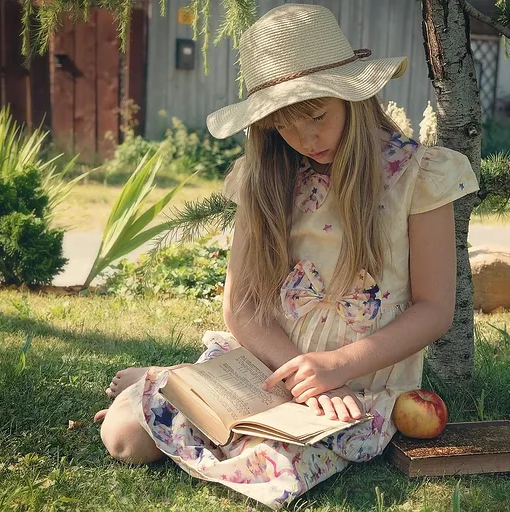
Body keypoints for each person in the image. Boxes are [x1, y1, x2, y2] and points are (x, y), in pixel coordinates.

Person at [93, 3, 479, 509]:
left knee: (276, 470)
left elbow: (434, 307)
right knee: (127, 440)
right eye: (283, 126)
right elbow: (243, 307)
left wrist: (335, 367)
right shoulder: (266, 179)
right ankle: (162, 385)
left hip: (356, 387)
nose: (305, 140)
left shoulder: (420, 177)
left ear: (353, 97)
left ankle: (163, 382)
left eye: (317, 117)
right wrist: (303, 374)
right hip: (269, 367)